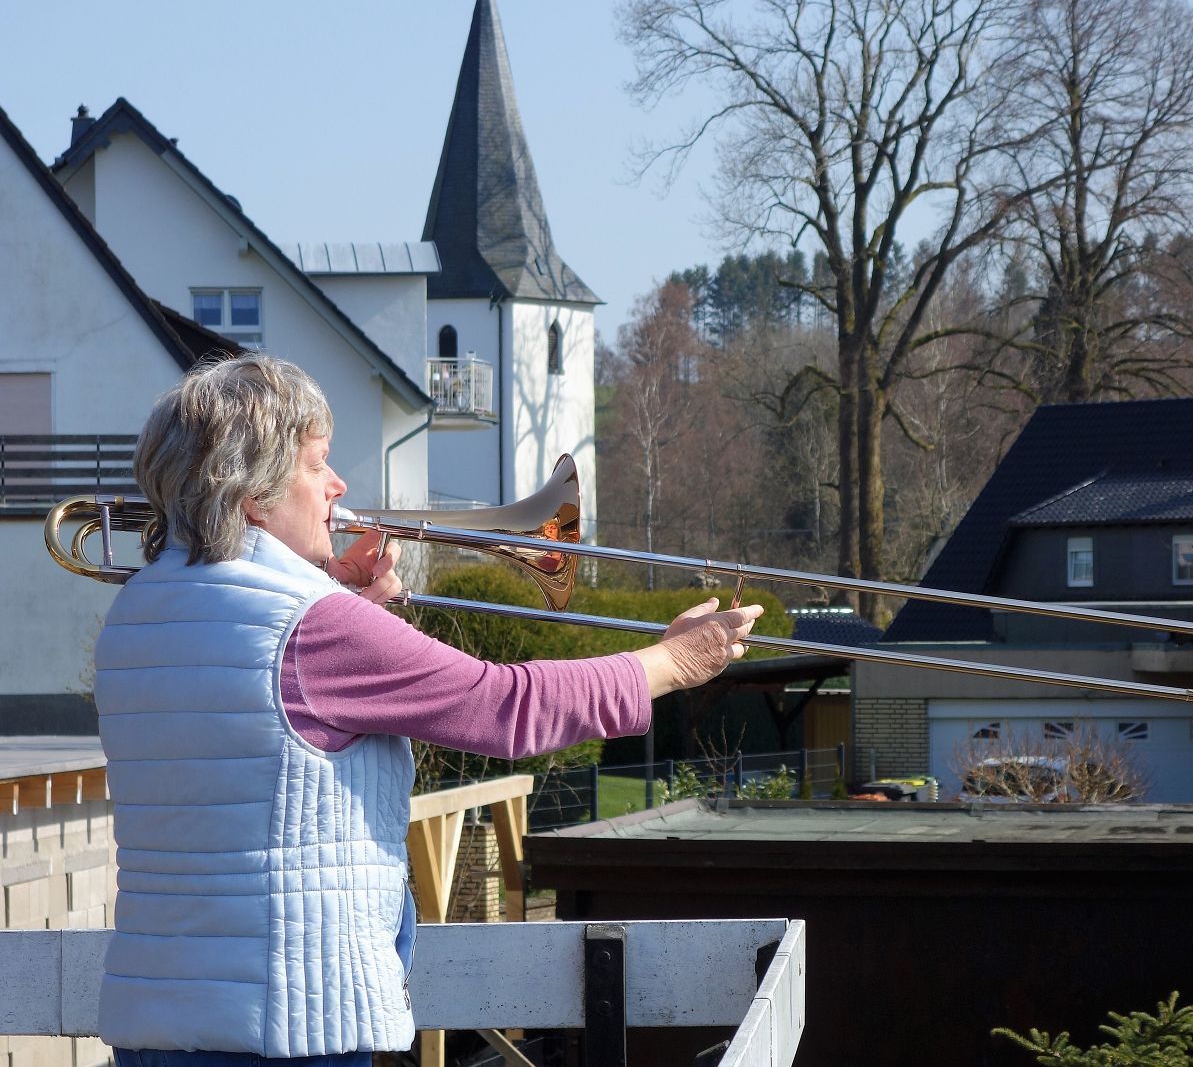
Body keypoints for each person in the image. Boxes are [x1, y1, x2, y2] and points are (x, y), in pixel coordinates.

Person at [95, 354, 761, 1067]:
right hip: (285, 1027)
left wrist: (344, 608)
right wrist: (672, 664)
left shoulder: (137, 612)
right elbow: (507, 708)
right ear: (254, 495)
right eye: (317, 464)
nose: (339, 486)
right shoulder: (313, 626)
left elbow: (259, 738)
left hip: (156, 1020)